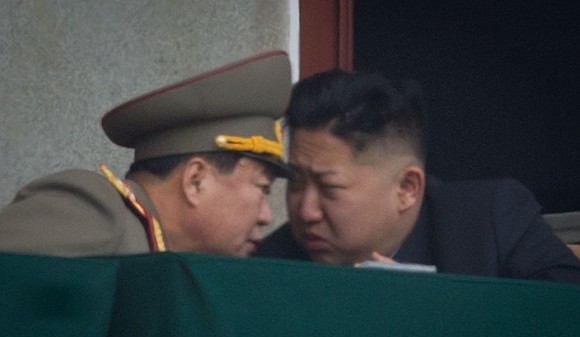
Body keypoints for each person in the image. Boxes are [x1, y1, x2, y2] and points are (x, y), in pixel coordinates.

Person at [255, 68, 580, 284]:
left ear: (407, 188)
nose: (306, 211)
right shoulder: (269, 264)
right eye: (296, 182)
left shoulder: (491, 221)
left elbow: (564, 322)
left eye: (329, 187)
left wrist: (429, 309)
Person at [0, 51, 292, 258]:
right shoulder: (97, 214)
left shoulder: (169, 255)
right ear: (195, 181)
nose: (267, 216)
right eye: (263, 188)